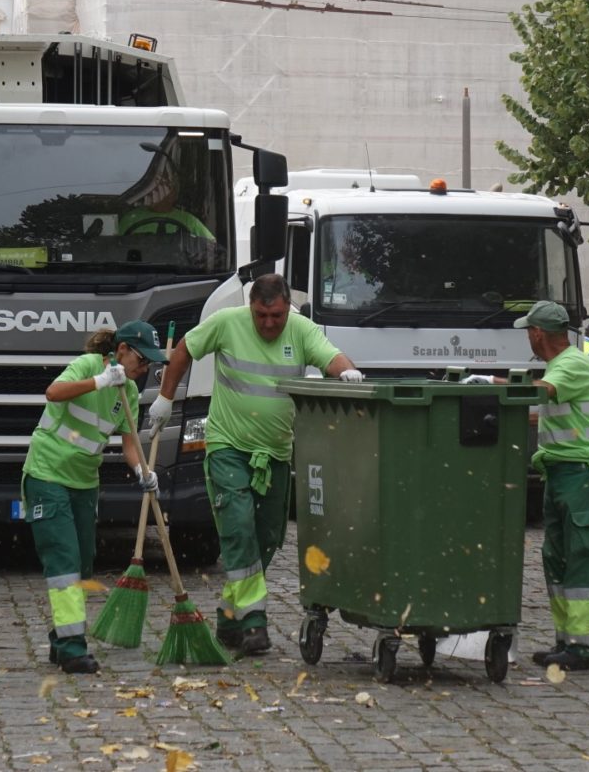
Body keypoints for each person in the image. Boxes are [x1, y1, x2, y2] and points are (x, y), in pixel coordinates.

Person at [151, 273, 360, 655]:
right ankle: (254, 622)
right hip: (227, 447)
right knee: (239, 527)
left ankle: (230, 618)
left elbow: (331, 356)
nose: (268, 324)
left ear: (286, 308)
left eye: (276, 316)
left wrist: (346, 372)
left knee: (266, 539)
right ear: (250, 307)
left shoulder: (300, 329)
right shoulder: (226, 323)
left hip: (276, 454)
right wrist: (166, 399)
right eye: (261, 315)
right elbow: (184, 349)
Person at [468, 301, 589, 671]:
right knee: (558, 557)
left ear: (537, 333)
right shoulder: (562, 365)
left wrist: (491, 383)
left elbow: (541, 392)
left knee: (580, 559)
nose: (527, 338)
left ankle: (584, 648)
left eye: (527, 332)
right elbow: (543, 405)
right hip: (562, 471)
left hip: (581, 474)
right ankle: (568, 642)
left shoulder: (572, 365)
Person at [23, 320, 164, 673]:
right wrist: (101, 380)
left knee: (84, 562)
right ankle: (72, 647)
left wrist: (142, 471)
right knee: (64, 561)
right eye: (141, 359)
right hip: (46, 474)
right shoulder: (88, 366)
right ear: (121, 351)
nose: (144, 368)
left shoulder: (128, 393)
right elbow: (53, 393)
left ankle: (61, 637)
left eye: (149, 363)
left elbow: (129, 442)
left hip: (85, 483)